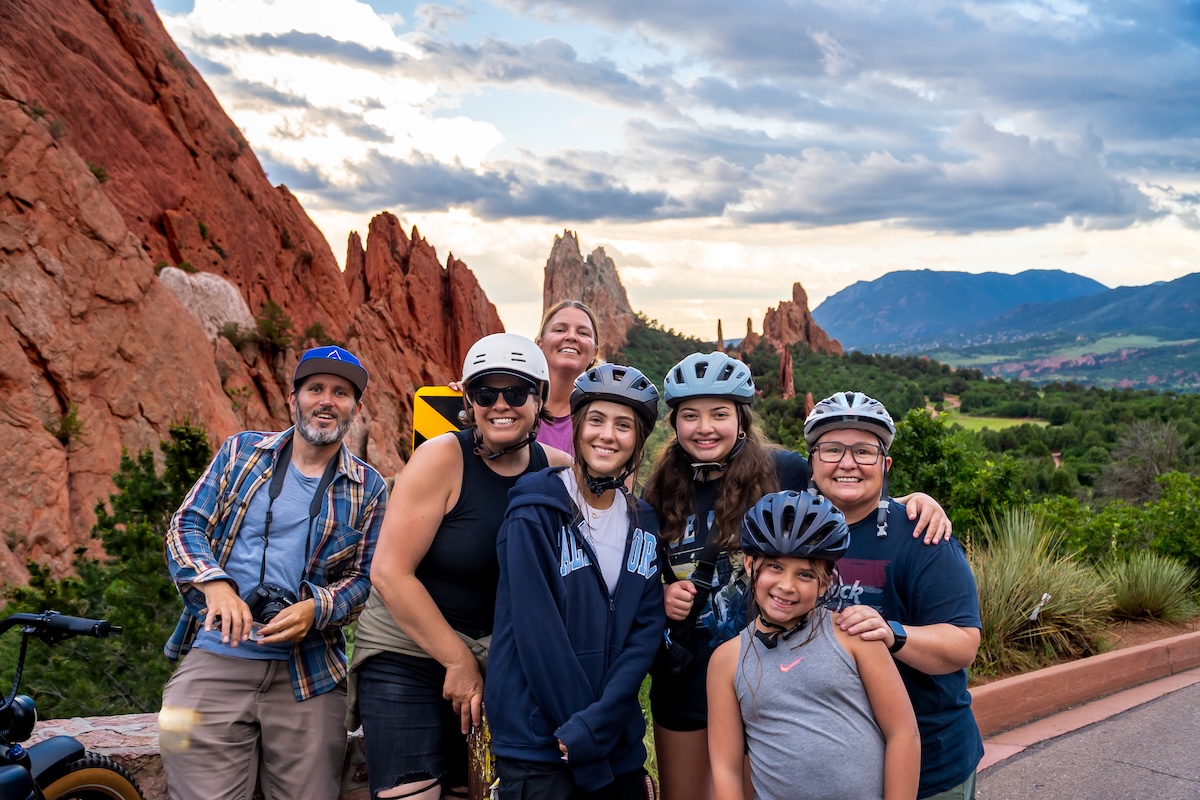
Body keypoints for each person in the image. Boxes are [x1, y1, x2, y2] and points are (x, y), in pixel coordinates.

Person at [641, 351, 950, 799]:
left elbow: (842, 484)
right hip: (687, 675)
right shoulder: (662, 484)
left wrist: (909, 501)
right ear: (675, 423)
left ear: (742, 419)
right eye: (690, 415)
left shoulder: (782, 470)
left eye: (719, 414)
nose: (704, 427)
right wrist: (662, 593)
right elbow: (643, 564)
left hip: (770, 678)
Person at [350, 333, 572, 800]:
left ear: (538, 400)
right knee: (412, 791)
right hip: (407, 647)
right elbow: (390, 572)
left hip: (497, 651)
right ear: (469, 400)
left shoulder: (558, 471)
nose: (500, 405)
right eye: (485, 393)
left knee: (483, 786)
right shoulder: (441, 458)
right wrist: (457, 661)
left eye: (515, 392)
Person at [160, 345, 387, 800]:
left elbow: (367, 578)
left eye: (341, 393)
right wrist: (215, 585)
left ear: (356, 409)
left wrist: (316, 608)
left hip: (310, 675)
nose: (326, 400)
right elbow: (186, 525)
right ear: (293, 398)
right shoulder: (241, 452)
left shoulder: (370, 488)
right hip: (216, 656)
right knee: (188, 763)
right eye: (315, 389)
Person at [487, 363, 665, 799]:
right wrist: (582, 730)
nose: (607, 435)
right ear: (578, 426)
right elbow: (538, 635)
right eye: (596, 420)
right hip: (540, 743)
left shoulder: (644, 523)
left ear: (638, 440)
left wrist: (598, 725)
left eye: (624, 425)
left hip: (613, 743)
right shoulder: (534, 512)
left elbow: (643, 637)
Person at [805, 392, 983, 800]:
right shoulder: (791, 532)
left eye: (864, 451)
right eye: (832, 449)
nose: (847, 463)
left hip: (929, 765)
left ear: (885, 465)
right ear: (812, 463)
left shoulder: (923, 537)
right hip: (830, 767)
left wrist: (893, 634)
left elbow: (963, 644)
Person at [707, 491, 920, 800]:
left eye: (805, 574)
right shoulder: (726, 660)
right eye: (775, 567)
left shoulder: (853, 635)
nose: (787, 586)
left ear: (824, 583)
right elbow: (725, 767)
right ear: (751, 564)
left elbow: (903, 734)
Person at [534, 300, 602, 454]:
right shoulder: (516, 405)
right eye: (559, 330)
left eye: (583, 333)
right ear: (540, 345)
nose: (571, 337)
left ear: (594, 353)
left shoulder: (602, 418)